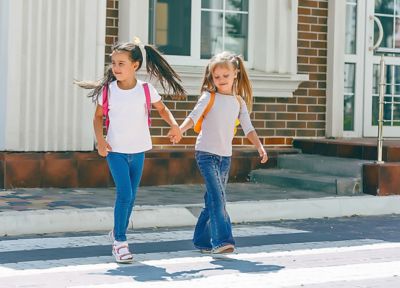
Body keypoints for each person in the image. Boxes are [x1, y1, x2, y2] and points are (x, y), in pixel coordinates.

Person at [76, 39, 186, 263]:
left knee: (132, 196)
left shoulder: (146, 89)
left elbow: (162, 109)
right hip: (115, 151)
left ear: (135, 65)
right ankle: (120, 242)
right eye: (113, 63)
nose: (115, 68)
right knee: (124, 194)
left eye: (121, 63)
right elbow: (97, 117)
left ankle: (117, 231)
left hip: (138, 151)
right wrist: (100, 140)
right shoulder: (107, 91)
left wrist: (174, 125)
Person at [179, 51, 268, 254]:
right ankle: (222, 241)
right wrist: (180, 130)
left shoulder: (239, 102)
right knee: (219, 198)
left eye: (225, 76)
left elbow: (249, 128)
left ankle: (202, 241)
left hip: (225, 157)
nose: (221, 80)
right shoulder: (208, 97)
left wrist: (260, 146)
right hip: (205, 155)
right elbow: (193, 117)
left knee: (212, 200)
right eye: (217, 77)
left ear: (235, 73)